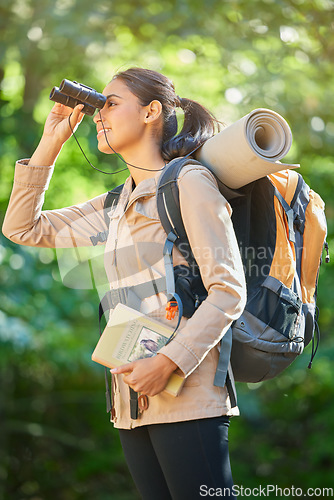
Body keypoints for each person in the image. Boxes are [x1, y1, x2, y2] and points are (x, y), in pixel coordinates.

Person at [2, 67, 246, 499]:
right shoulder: (115, 203)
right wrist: (51, 142)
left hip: (185, 393)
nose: (99, 115)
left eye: (111, 103)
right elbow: (22, 228)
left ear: (152, 111)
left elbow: (229, 291)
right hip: (131, 400)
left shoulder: (189, 183)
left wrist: (167, 362)